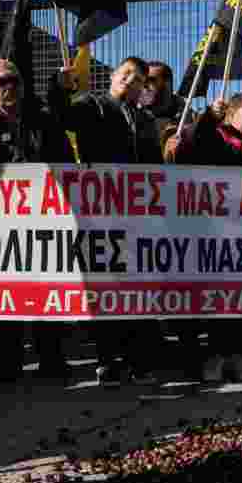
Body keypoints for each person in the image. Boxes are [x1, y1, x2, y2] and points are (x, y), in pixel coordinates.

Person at [50, 56, 161, 386]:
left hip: (138, 216)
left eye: (139, 79)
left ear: (143, 88)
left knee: (138, 288)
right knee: (106, 288)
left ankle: (139, 360)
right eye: (126, 73)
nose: (130, 80)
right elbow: (63, 118)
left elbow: (154, 164)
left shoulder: (144, 119)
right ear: (114, 75)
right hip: (100, 215)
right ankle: (108, 359)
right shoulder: (92, 104)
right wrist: (60, 87)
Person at [0, 59, 74, 383]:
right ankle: (9, 361)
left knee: (45, 293)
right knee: (8, 293)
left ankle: (51, 359)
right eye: (1, 82)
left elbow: (66, 164)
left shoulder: (43, 121)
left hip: (42, 221)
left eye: (15, 80)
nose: (9, 86)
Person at [172, 94, 242, 383]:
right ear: (230, 115)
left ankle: (236, 355)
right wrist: (210, 116)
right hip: (210, 233)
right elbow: (193, 142)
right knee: (215, 299)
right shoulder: (217, 138)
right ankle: (214, 357)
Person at [139, 61, 181, 136]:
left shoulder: (190, 119)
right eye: (142, 80)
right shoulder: (130, 117)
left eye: (151, 80)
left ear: (167, 84)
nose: (144, 84)